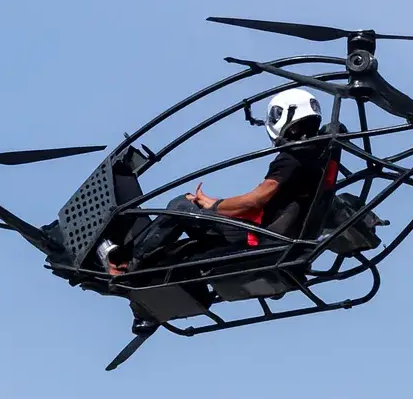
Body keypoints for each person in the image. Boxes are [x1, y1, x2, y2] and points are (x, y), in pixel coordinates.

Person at [97, 87, 334, 275]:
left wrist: (215, 206)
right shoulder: (319, 156)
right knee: (191, 227)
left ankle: (128, 263)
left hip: (259, 238)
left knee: (180, 206)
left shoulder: (292, 158)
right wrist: (212, 204)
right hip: (277, 236)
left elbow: (256, 200)